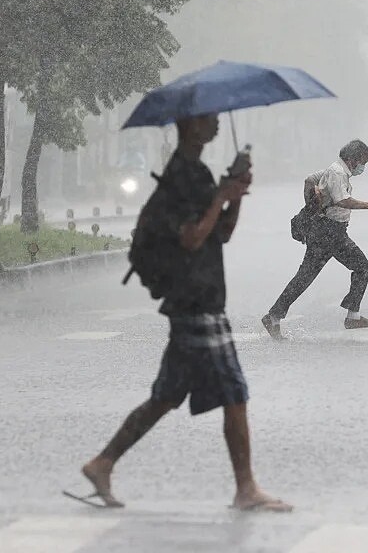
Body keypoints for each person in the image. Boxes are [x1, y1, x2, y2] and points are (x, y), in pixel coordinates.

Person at [80, 114, 292, 512]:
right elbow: (192, 238)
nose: (214, 124)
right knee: (234, 391)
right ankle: (245, 489)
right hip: (194, 302)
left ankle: (102, 462)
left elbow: (221, 232)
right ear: (190, 125)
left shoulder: (198, 172)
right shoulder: (181, 176)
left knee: (166, 396)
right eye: (208, 119)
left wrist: (235, 194)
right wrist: (219, 196)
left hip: (201, 297)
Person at [262, 140, 368, 340]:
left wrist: (313, 204)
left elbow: (309, 180)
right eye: (363, 162)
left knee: (305, 276)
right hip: (330, 232)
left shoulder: (335, 170)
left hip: (324, 231)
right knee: (363, 267)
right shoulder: (337, 173)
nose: (363, 167)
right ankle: (353, 316)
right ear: (353, 159)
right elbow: (343, 200)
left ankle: (273, 316)